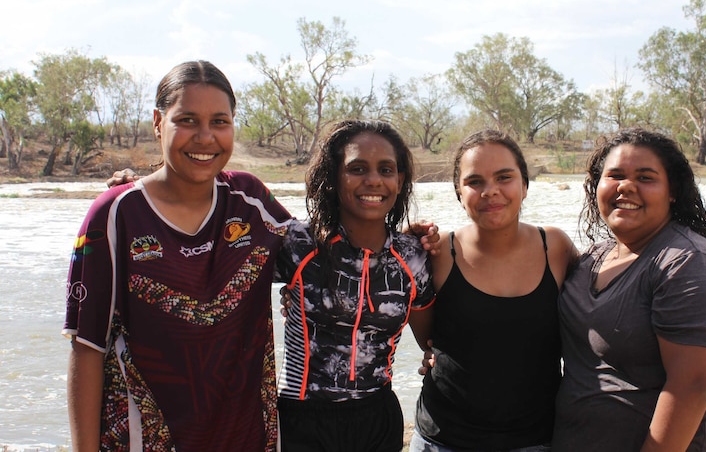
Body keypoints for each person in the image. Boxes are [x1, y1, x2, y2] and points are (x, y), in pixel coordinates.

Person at [64, 61, 289, 451]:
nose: (205, 138)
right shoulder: (116, 214)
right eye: (187, 120)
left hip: (246, 436)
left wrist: (404, 240)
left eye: (220, 122)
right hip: (144, 439)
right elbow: (87, 348)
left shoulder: (249, 201)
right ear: (158, 122)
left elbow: (323, 257)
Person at [553, 128, 706, 451]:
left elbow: (693, 385)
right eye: (614, 175)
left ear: (672, 191)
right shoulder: (593, 257)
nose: (626, 186)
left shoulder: (688, 264)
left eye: (645, 178)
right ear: (596, 186)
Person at [274, 120, 436, 452]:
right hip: (301, 416)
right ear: (334, 177)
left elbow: (433, 341)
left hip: (377, 417)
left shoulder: (414, 257)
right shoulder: (298, 244)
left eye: (386, 169)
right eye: (357, 168)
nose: (373, 180)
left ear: (400, 180)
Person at [411, 129, 577, 451]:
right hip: (441, 440)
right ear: (459, 193)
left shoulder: (556, 247)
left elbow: (601, 313)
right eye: (475, 182)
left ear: (525, 185)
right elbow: (419, 334)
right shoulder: (436, 252)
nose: (491, 191)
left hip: (535, 440)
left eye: (504, 177)